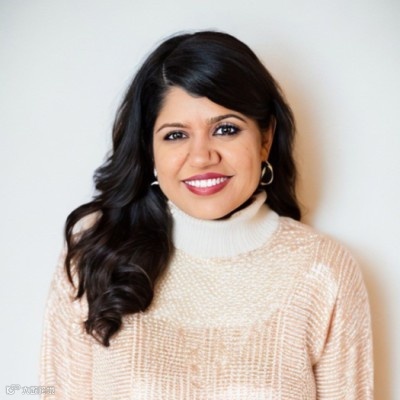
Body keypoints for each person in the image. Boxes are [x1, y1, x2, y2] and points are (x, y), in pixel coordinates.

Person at [40, 31, 373, 399]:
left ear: (265, 139)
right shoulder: (94, 256)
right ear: (149, 150)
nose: (201, 157)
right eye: (175, 135)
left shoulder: (323, 270)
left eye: (225, 129)